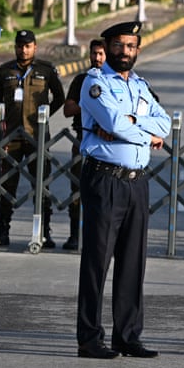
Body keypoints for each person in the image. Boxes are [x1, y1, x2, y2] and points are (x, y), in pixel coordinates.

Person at [76, 21, 171, 359]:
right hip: (105, 179)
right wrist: (141, 129)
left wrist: (132, 125)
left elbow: (166, 123)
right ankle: (89, 338)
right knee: (97, 261)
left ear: (137, 50)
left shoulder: (141, 87)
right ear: (107, 46)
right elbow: (113, 123)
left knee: (133, 262)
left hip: (137, 181)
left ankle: (127, 335)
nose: (124, 52)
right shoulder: (95, 83)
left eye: (131, 46)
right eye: (118, 45)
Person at [0, 30, 66, 249]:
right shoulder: (5, 71)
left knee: (41, 184)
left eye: (28, 46)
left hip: (37, 136)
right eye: (20, 46)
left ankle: (43, 231)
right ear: (15, 47)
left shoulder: (46, 70)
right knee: (7, 185)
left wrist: (43, 116)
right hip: (12, 137)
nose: (23, 50)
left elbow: (59, 98)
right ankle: (3, 230)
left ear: (35, 47)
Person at [60, 38, 106, 251]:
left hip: (108, 144)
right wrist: (87, 104)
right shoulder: (82, 80)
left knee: (104, 192)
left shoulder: (115, 80)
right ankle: (74, 234)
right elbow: (68, 109)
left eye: (101, 54)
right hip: (83, 139)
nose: (97, 58)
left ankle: (102, 237)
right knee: (77, 188)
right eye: (94, 53)